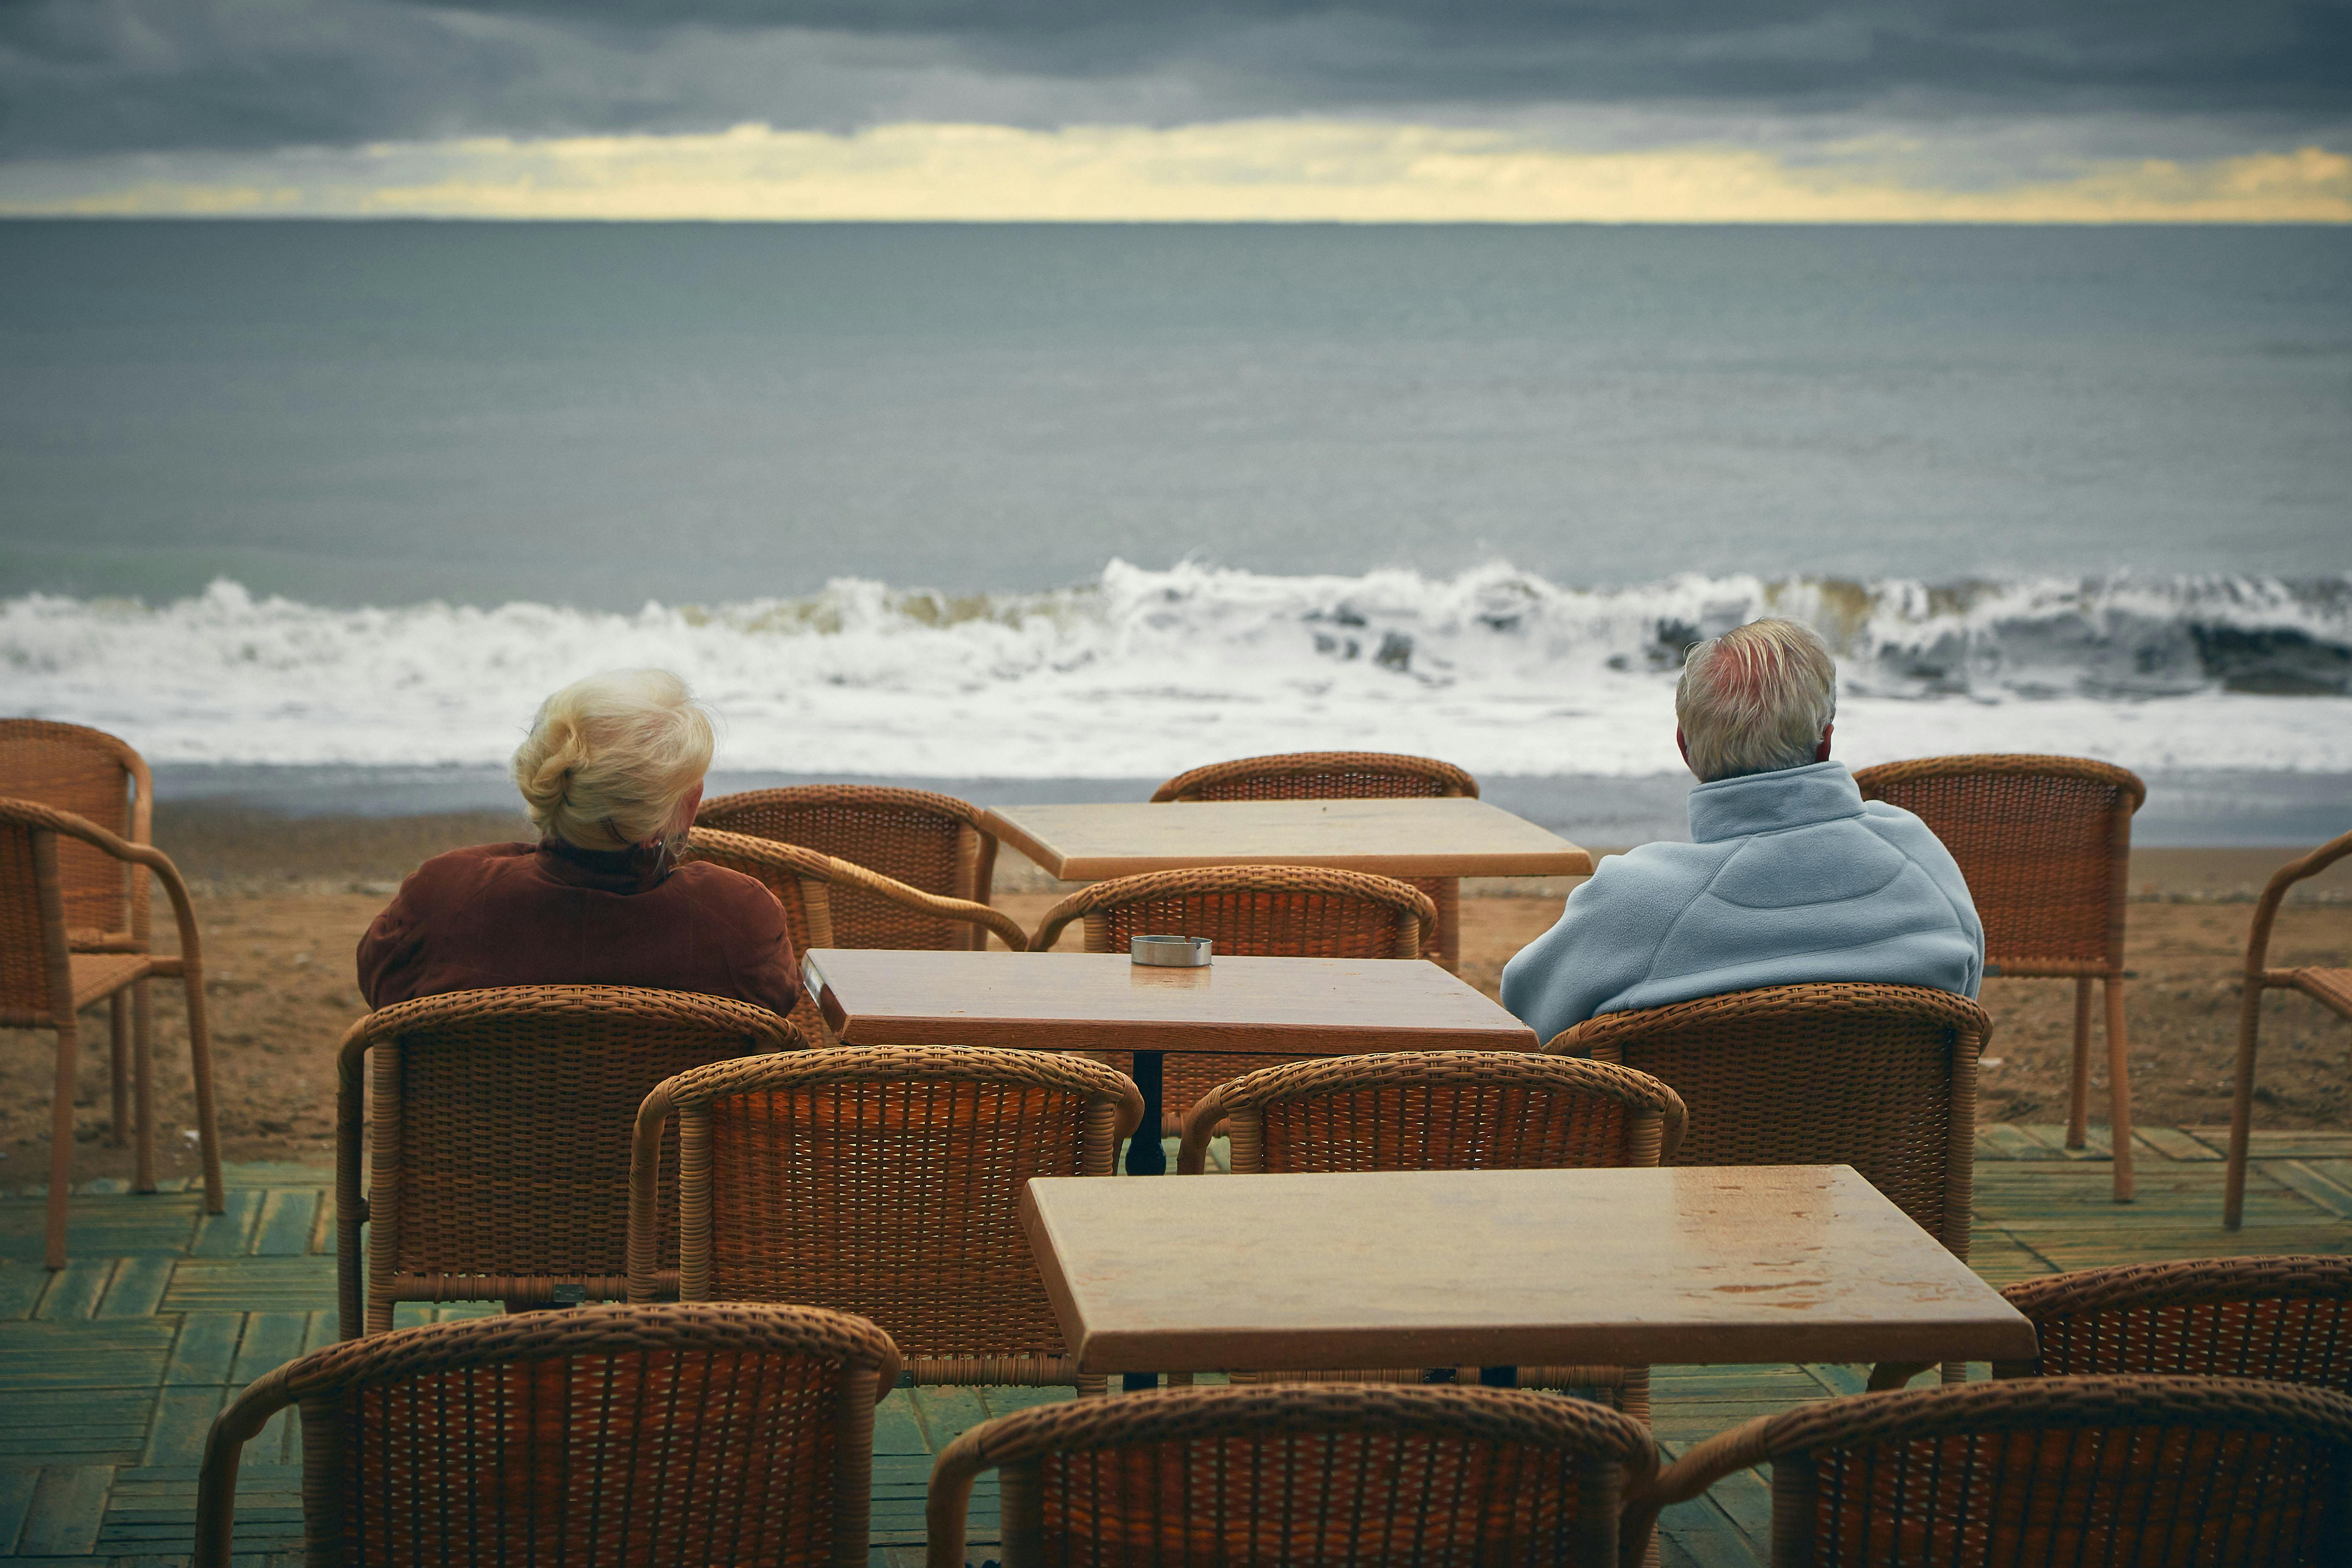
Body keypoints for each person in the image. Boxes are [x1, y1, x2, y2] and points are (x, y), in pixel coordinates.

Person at [1501, 617, 1982, 1045]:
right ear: (1826, 743)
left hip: (1675, 1146)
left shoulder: (1635, 902)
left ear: (1685, 749)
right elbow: (1963, 1023)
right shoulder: (1921, 862)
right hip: (1889, 1141)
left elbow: (1530, 1019)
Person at [358, 668, 800, 1015]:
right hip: (671, 1134)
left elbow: (383, 986)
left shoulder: (443, 898)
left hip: (469, 1133)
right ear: (683, 808)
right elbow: (775, 1008)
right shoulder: (739, 919)